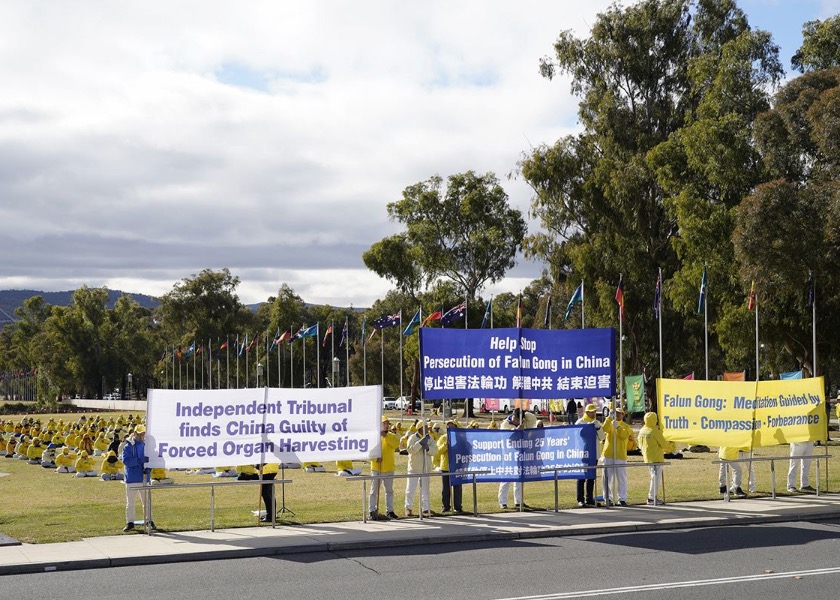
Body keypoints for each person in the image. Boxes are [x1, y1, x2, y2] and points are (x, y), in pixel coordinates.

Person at [498, 408, 537, 509]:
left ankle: (518, 501)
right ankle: (503, 501)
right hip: (508, 455)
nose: (515, 420)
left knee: (519, 479)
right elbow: (506, 436)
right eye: (515, 418)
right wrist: (515, 430)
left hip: (520, 454)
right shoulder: (505, 424)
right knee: (506, 478)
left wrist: (523, 413)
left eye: (518, 418)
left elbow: (533, 418)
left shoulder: (525, 421)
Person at [121, 424, 154, 532]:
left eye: (143, 434)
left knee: (147, 502)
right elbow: (126, 461)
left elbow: (151, 460)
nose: (141, 436)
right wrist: (139, 461)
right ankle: (130, 522)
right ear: (134, 433)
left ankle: (149, 520)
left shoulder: (146, 445)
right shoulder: (128, 446)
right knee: (130, 502)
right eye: (139, 434)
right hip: (131, 478)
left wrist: (148, 469)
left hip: (144, 477)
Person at [369, 416, 400, 520]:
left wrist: (386, 436)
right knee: (373, 491)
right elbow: (369, 452)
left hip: (389, 468)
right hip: (376, 469)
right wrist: (375, 459)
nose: (386, 425)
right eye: (384, 423)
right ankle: (372, 510)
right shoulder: (374, 437)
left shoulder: (392, 436)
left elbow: (396, 444)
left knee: (389, 491)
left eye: (387, 423)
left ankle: (390, 510)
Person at [601, 405, 631, 506]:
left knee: (621, 478)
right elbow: (604, 429)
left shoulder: (626, 426)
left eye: (619, 413)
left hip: (620, 456)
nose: (617, 415)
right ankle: (607, 498)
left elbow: (623, 436)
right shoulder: (609, 423)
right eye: (615, 413)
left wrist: (617, 427)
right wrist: (608, 418)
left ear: (623, 415)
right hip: (608, 454)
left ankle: (622, 498)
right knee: (607, 478)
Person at [575, 403, 604, 507]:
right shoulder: (580, 422)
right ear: (586, 412)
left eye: (595, 411)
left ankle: (589, 499)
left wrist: (598, 428)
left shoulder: (596, 423)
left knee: (591, 477)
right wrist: (587, 428)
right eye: (591, 412)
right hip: (583, 453)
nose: (593, 413)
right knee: (581, 477)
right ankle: (580, 499)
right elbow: (577, 437)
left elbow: (602, 437)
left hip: (594, 454)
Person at [405, 420, 435, 517]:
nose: (427, 428)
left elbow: (435, 450)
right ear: (419, 428)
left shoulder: (429, 438)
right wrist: (420, 443)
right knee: (410, 489)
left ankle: (425, 508)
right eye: (424, 427)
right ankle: (408, 508)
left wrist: (427, 448)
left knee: (425, 489)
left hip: (425, 468)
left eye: (427, 427)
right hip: (414, 468)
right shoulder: (412, 438)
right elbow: (411, 449)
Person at [638, 412, 667, 505]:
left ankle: (652, 497)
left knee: (653, 477)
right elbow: (664, 444)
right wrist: (672, 445)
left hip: (647, 457)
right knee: (655, 478)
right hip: (656, 458)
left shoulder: (642, 430)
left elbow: (639, 444)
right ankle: (651, 498)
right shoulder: (655, 431)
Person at [436, 420, 463, 514]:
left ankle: (458, 506)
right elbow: (438, 451)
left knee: (457, 488)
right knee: (445, 488)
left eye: (452, 426)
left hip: (456, 467)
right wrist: (445, 445)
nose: (449, 428)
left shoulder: (459, 438)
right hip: (445, 466)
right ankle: (445, 506)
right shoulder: (443, 438)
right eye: (448, 426)